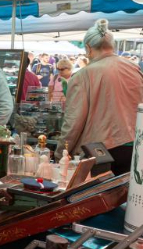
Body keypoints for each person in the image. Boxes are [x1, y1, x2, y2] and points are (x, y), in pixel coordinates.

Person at [58, 19, 143, 174]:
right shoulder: (133, 68)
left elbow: (73, 122)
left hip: (102, 151)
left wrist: (61, 152)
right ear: (112, 46)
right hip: (135, 146)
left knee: (99, 197)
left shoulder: (83, 75)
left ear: (89, 48)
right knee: (126, 196)